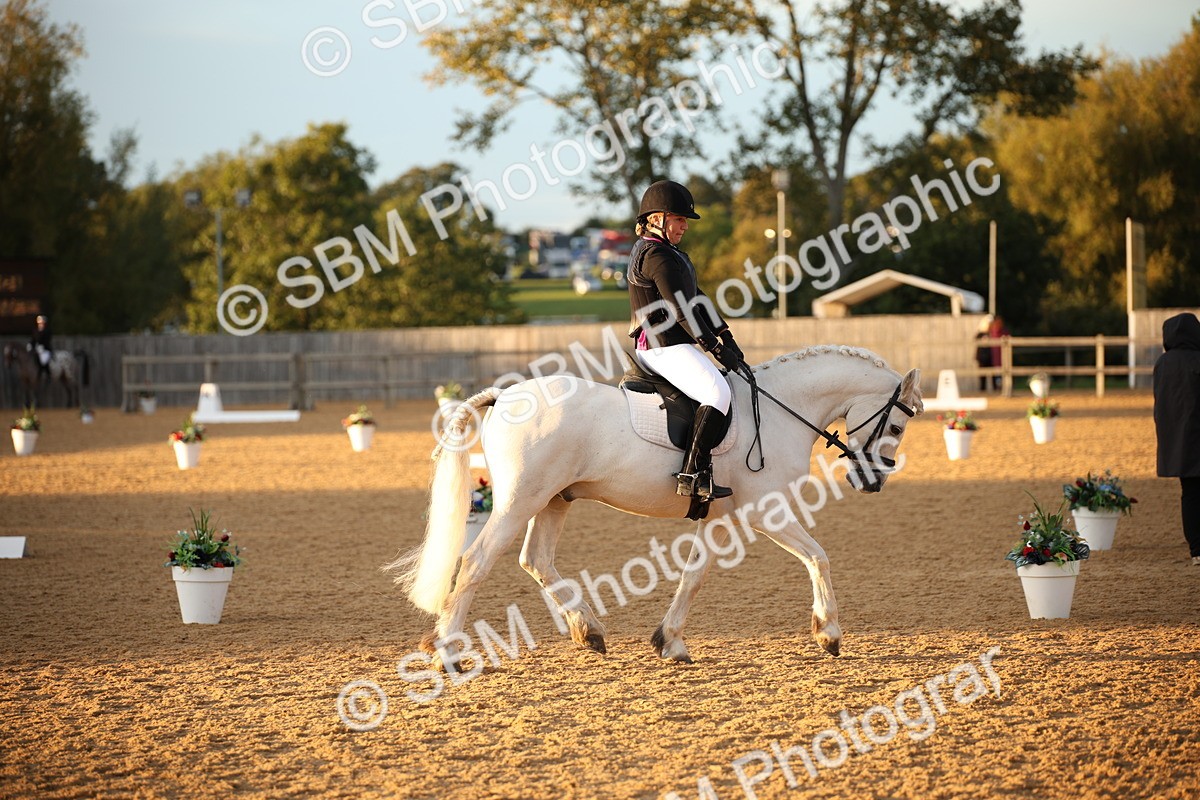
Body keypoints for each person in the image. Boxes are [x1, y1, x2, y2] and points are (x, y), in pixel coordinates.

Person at [626, 180, 743, 501]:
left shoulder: (672, 254)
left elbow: (698, 299)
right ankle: (692, 471)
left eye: (684, 221)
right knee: (717, 393)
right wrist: (715, 348)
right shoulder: (655, 255)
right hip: (662, 346)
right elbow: (681, 311)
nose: (683, 227)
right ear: (656, 219)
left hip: (673, 345)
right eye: (678, 219)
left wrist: (726, 335)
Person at [1152, 312, 1200, 566]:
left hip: (1179, 438)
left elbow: (1161, 403)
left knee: (1189, 493)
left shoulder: (1162, 363)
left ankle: (1196, 549)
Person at [974, 316, 993, 392]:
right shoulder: (979, 335)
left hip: (990, 357)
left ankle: (994, 390)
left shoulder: (991, 333)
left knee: (993, 375)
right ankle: (982, 390)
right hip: (982, 358)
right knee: (982, 376)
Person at [30, 314, 52, 379]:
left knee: (44, 360)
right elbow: (33, 340)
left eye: (42, 322)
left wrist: (42, 347)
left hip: (45, 350)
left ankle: (47, 374)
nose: (40, 324)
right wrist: (30, 345)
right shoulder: (35, 331)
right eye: (39, 322)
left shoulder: (47, 331)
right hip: (36, 349)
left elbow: (47, 341)